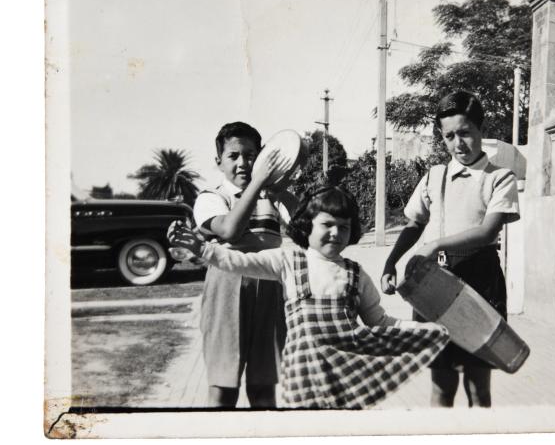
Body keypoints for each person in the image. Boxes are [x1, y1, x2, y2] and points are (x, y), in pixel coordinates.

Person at [169, 186, 450, 409]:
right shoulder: (288, 262)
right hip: (302, 384)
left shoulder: (356, 274)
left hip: (347, 382)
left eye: (344, 226)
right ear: (307, 226)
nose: (336, 233)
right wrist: (203, 249)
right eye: (327, 224)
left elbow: (381, 321)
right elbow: (239, 261)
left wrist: (423, 331)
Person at [380, 91, 520, 408]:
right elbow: (414, 224)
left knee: (477, 387)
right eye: (449, 136)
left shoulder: (500, 178)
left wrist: (435, 244)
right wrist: (390, 262)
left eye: (465, 132)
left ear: (481, 129)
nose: (458, 143)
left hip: (480, 285)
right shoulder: (434, 176)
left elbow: (487, 232)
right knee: (441, 386)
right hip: (435, 285)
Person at [193, 121, 297, 408]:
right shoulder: (211, 197)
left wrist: (283, 192)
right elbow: (229, 231)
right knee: (223, 391)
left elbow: (307, 230)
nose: (243, 163)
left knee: (264, 390)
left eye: (251, 155)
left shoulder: (272, 197)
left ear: (262, 157)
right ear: (219, 162)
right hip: (225, 291)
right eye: (234, 156)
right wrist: (258, 184)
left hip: (270, 289)